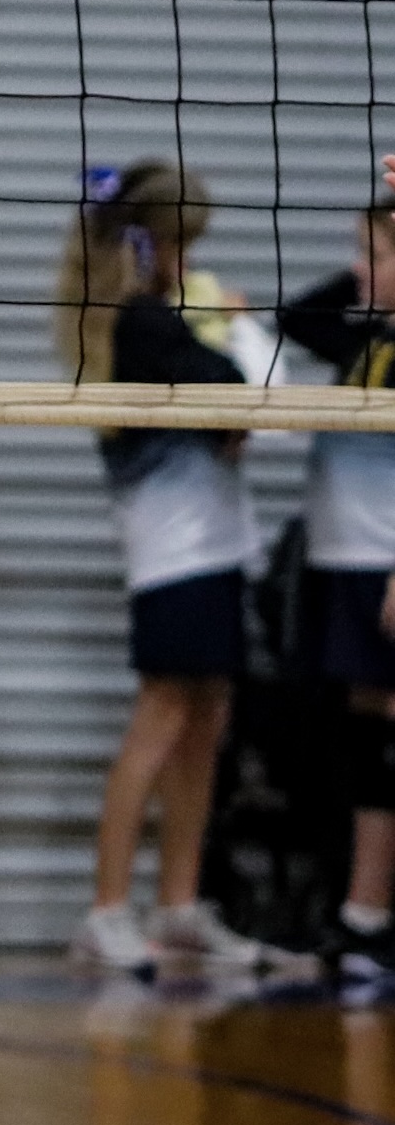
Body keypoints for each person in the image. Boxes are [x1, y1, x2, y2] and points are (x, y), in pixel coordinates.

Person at [58, 161, 266, 972]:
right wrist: (231, 332)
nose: (190, 259)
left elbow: (234, 410)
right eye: (183, 243)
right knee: (162, 718)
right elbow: (235, 388)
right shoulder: (143, 324)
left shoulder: (157, 320)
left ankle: (177, 902)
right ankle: (107, 909)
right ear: (151, 245)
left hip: (213, 545)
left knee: (206, 722)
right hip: (174, 553)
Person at [277, 154, 395, 980]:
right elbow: (298, 313)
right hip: (344, 557)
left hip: (384, 562)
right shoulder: (366, 335)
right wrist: (373, 271)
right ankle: (360, 910)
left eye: (374, 255)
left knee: (382, 737)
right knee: (361, 734)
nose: (357, 269)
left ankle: (369, 913)